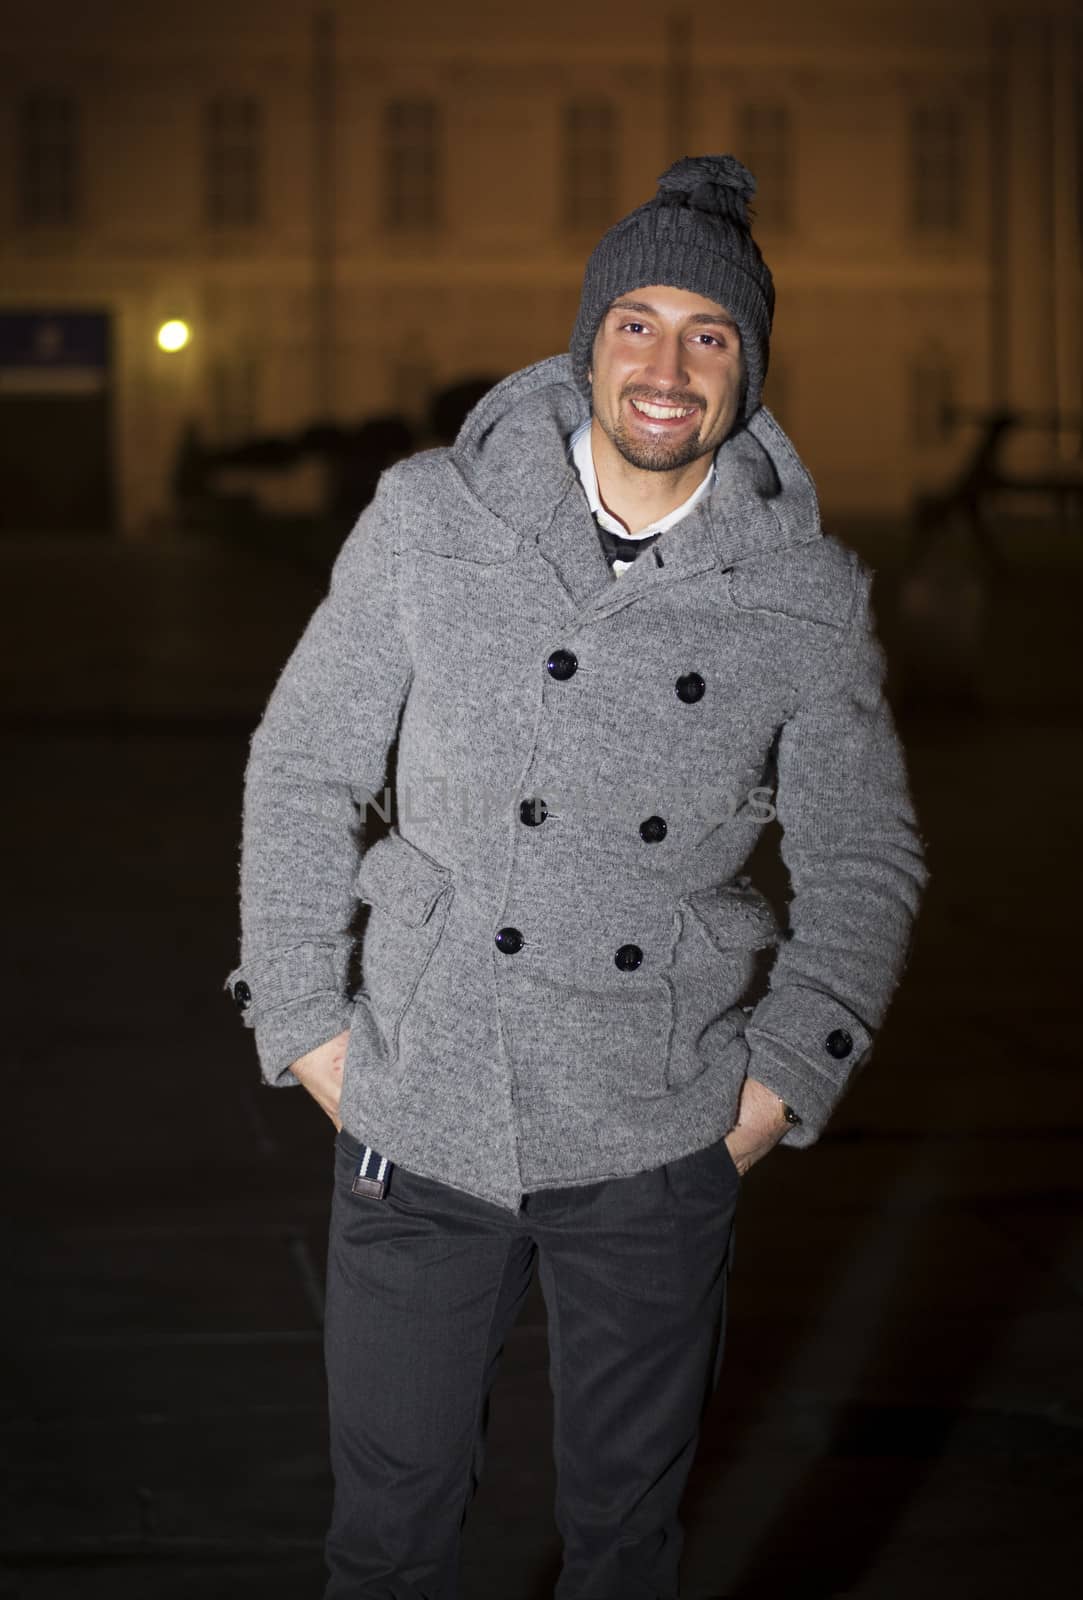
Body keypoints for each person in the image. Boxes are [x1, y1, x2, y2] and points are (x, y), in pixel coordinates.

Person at [224, 154, 928, 1600]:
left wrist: (785, 1077)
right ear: (588, 342)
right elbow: (300, 766)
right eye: (638, 325)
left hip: (657, 1120)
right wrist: (303, 1020)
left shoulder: (801, 597)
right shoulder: (433, 519)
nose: (667, 367)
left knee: (624, 1547)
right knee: (387, 1540)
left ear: (747, 372)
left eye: (710, 335)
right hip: (423, 1106)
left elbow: (866, 852)